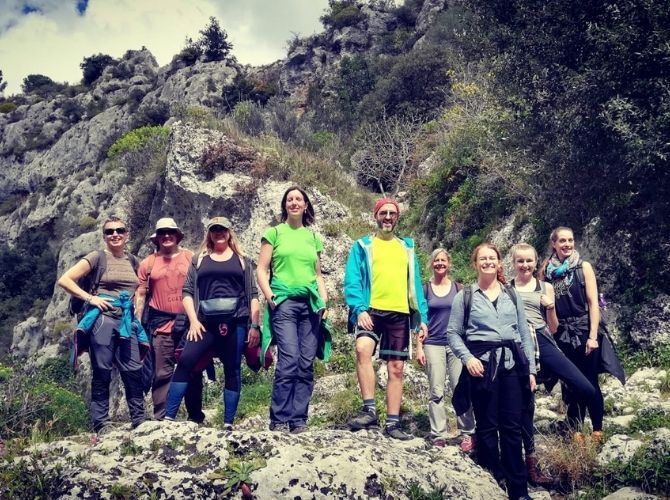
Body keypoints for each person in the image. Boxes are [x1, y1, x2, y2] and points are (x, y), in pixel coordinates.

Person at [447, 243, 536, 500]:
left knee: (512, 427)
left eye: (492, 258)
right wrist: (467, 359)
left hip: (511, 366)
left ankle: (518, 490)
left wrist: (530, 369)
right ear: (475, 264)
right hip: (481, 367)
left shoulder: (511, 293)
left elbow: (523, 334)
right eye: (482, 258)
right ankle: (491, 482)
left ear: (499, 263)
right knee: (486, 428)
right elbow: (453, 333)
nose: (487, 262)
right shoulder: (465, 296)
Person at [164, 216, 261, 430]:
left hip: (236, 323)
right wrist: (193, 322)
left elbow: (253, 294)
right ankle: (169, 417)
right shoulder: (199, 259)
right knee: (186, 361)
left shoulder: (242, 260)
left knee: (233, 369)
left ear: (229, 232)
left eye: (222, 229)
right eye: (214, 229)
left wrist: (255, 326)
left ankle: (228, 422)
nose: (219, 232)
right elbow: (187, 292)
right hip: (204, 324)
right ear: (209, 233)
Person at [510, 242, 595, 485]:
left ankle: (572, 428)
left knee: (583, 386)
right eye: (520, 261)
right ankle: (531, 463)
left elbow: (554, 327)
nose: (525, 265)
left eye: (529, 261)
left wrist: (549, 308)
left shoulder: (545, 286)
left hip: (544, 340)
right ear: (514, 263)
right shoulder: (507, 289)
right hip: (519, 347)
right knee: (527, 405)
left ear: (535, 262)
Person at [344, 197, 428, 440]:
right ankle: (369, 410)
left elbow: (416, 285)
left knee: (397, 368)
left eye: (392, 213)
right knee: (362, 349)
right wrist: (359, 309)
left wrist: (421, 317)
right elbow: (352, 280)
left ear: (397, 217)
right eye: (383, 213)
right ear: (376, 216)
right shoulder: (362, 246)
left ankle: (392, 423)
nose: (388, 217)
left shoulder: (407, 248)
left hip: (399, 313)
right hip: (370, 309)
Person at [57, 216, 147, 433]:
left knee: (133, 369)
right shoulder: (97, 257)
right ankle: (101, 423)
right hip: (103, 319)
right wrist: (91, 298)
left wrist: (137, 316)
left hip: (126, 320)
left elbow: (140, 292)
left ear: (127, 235)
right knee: (102, 370)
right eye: (109, 232)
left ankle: (139, 418)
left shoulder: (134, 261)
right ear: (104, 236)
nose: (115, 234)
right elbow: (65, 279)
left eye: (119, 230)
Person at [541, 227, 624, 444]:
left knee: (590, 381)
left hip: (585, 330)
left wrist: (593, 336)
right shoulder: (546, 273)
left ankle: (597, 430)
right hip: (561, 333)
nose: (567, 244)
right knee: (570, 383)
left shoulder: (583, 267)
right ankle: (576, 431)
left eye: (570, 240)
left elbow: (593, 303)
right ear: (554, 244)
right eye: (562, 241)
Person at [257, 186, 329, 434]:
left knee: (306, 362)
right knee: (289, 359)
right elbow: (261, 269)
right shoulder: (274, 233)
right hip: (284, 303)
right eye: (290, 199)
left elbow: (318, 275)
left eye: (299, 199)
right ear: (285, 205)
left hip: (310, 306)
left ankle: (299, 419)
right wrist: (270, 295)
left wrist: (324, 301)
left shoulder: (312, 237)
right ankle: (279, 419)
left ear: (306, 205)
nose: (294, 203)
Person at [134, 217, 204, 422]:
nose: (166, 236)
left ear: (177, 236)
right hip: (160, 325)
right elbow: (140, 294)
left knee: (193, 371)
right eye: (162, 233)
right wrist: (137, 323)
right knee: (161, 373)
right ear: (157, 238)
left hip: (190, 324)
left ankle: (195, 417)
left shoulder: (191, 257)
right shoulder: (148, 263)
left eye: (170, 232)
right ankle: (162, 418)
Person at [415, 248, 475, 450]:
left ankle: (467, 432)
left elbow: (469, 318)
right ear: (432, 264)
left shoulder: (459, 289)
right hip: (432, 343)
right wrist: (418, 347)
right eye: (436, 261)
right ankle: (438, 434)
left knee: (461, 388)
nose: (440, 263)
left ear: (448, 263)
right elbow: (419, 319)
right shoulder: (425, 289)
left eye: (443, 260)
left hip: (457, 344)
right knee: (436, 390)